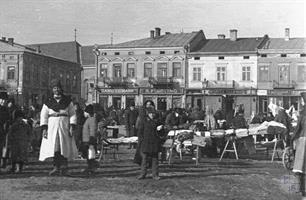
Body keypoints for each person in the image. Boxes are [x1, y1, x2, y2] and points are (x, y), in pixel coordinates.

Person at [39, 79, 78, 176]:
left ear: (61, 89)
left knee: (64, 147)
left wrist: (72, 126)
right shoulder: (48, 101)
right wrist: (44, 128)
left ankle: (65, 168)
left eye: (58, 88)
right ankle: (56, 167)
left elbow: (72, 114)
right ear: (52, 89)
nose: (56, 90)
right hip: (52, 126)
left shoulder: (67, 101)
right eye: (54, 88)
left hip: (64, 125)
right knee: (55, 147)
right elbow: (43, 115)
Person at [137, 107, 162, 180]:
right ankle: (143, 174)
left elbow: (161, 133)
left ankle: (155, 175)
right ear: (148, 114)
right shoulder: (144, 121)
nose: (152, 115)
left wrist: (160, 129)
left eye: (153, 113)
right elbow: (140, 132)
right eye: (151, 113)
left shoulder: (157, 121)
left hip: (154, 142)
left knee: (155, 160)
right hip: (146, 142)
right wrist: (141, 141)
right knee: (144, 159)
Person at [291, 92, 306, 199]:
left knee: (301, 166)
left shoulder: (303, 114)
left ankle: (302, 191)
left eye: (302, 100)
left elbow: (297, 129)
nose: (301, 102)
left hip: (303, 141)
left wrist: (291, 139)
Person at [81, 104, 99, 174]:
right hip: (86, 140)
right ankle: (90, 168)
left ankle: (91, 168)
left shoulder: (91, 119)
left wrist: (91, 142)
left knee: (91, 156)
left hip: (89, 141)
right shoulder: (89, 119)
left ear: (87, 112)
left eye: (85, 111)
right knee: (89, 156)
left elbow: (92, 131)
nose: (84, 113)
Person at [0, 92, 9, 170]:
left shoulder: (6, 109)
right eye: (1, 100)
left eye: (4, 100)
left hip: (3, 131)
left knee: (2, 148)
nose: (3, 101)